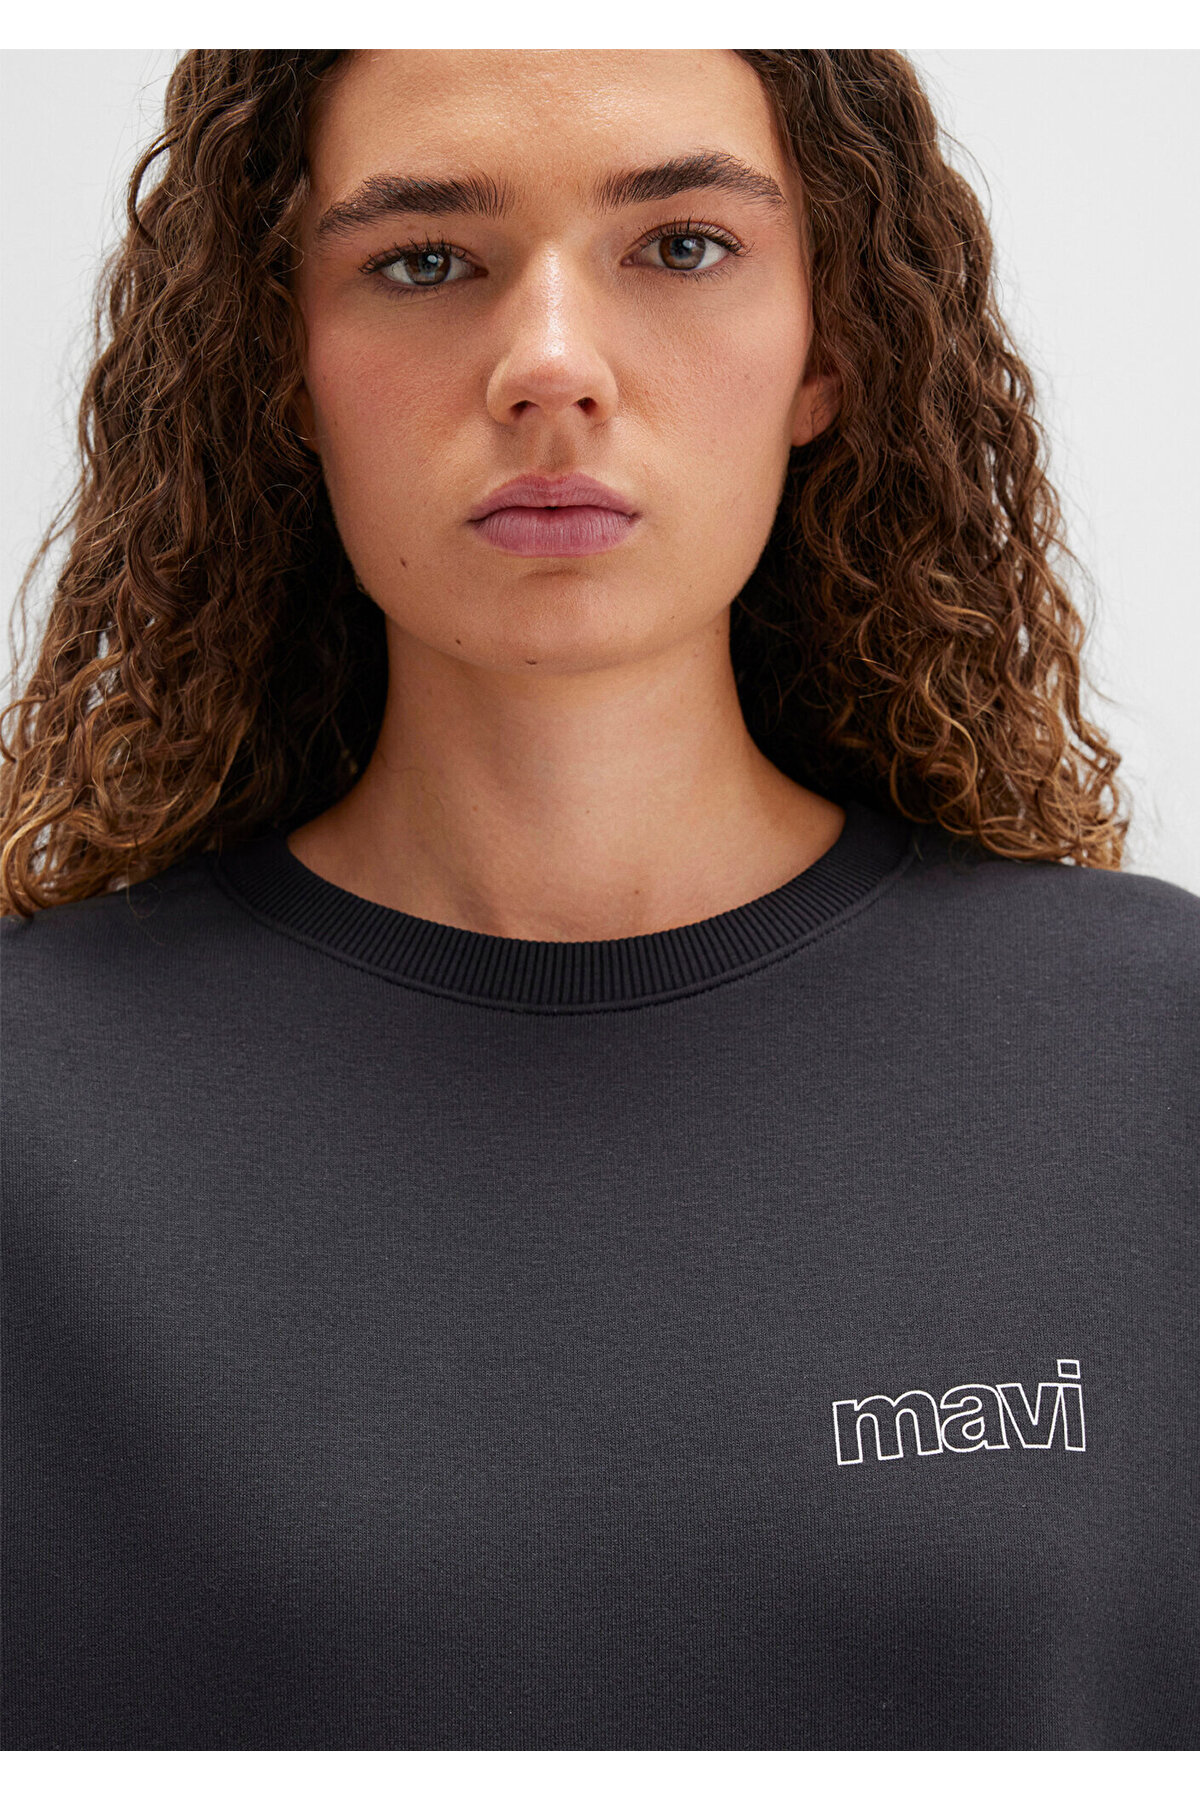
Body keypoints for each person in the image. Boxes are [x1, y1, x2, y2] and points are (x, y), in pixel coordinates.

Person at [1, 49, 1195, 1753]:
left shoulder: (1157, 1059)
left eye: (683, 245)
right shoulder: (34, 1112)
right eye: (424, 260)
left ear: (831, 346)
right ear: (280, 363)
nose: (551, 364)